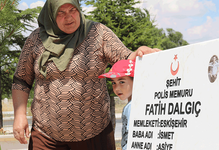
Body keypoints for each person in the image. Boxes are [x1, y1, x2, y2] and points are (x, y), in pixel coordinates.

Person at [12, 0, 160, 149]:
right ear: (50, 14)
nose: (69, 17)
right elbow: (21, 80)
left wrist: (139, 53)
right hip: (46, 136)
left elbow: (125, 57)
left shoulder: (98, 33)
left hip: (95, 134)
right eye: (61, 13)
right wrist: (19, 115)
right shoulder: (36, 39)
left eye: (72, 10)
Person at [98, 59, 135, 150]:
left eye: (122, 82)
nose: (117, 88)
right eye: (113, 83)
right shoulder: (131, 106)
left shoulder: (132, 107)